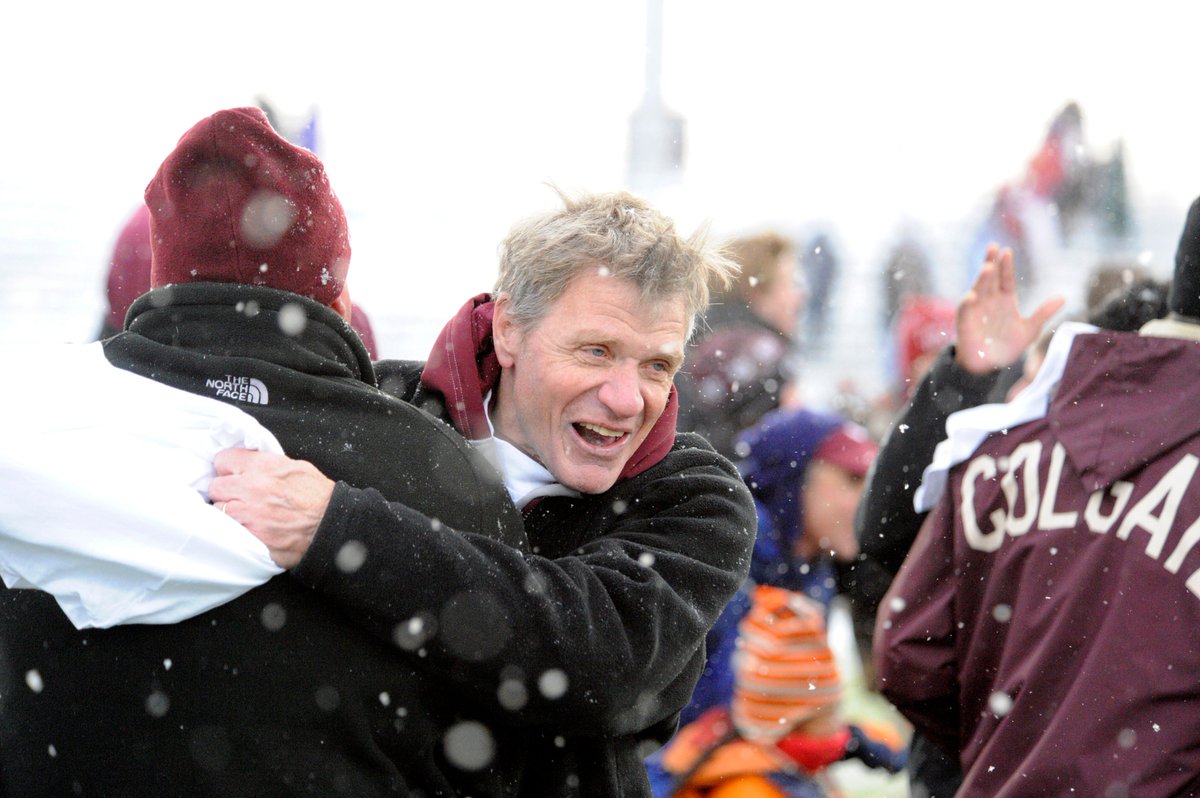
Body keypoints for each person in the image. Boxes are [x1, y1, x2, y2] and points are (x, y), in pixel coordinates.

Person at [0, 106, 528, 796]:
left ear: (157, 274)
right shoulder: (438, 470)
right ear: (336, 290)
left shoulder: (36, 433)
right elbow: (513, 738)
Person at [208, 187, 758, 796]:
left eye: (657, 366)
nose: (628, 400)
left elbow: (599, 662)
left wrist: (338, 533)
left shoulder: (697, 496)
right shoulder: (374, 412)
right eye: (596, 352)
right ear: (510, 330)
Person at [874, 196, 1200, 795]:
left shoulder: (1011, 446)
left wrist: (1014, 753)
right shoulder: (1013, 437)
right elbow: (891, 565)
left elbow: (909, 651)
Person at [850, 244, 1063, 797]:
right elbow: (881, 531)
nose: (1022, 394)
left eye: (1040, 382)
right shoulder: (991, 452)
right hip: (964, 767)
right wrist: (965, 377)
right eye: (1024, 378)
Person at [677, 408, 877, 730]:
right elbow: (708, 716)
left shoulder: (814, 572)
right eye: (852, 480)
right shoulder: (718, 555)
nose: (869, 500)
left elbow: (792, 714)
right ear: (795, 481)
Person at [647, 586, 904, 798]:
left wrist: (861, 741)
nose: (840, 726)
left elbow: (883, 739)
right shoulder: (749, 790)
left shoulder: (757, 752)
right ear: (793, 726)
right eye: (831, 711)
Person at [675, 230, 805, 461]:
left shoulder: (697, 334)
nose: (800, 296)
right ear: (756, 291)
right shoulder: (760, 351)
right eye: (790, 283)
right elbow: (774, 452)